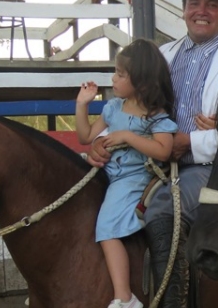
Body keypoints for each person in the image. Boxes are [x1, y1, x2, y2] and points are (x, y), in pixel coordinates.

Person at [87, 0, 218, 307]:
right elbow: (132, 106)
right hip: (148, 162)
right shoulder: (163, 55)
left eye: (212, 5)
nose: (201, 11)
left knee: (164, 209)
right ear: (183, 9)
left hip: (208, 166)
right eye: (194, 3)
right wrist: (101, 140)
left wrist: (191, 142)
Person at [76, 38, 178, 308]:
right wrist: (82, 104)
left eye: (121, 74)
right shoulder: (113, 108)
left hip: (133, 180)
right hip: (108, 174)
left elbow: (163, 150)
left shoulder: (155, 117)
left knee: (106, 230)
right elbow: (85, 136)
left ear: (142, 83)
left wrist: (128, 137)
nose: (114, 79)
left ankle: (124, 297)